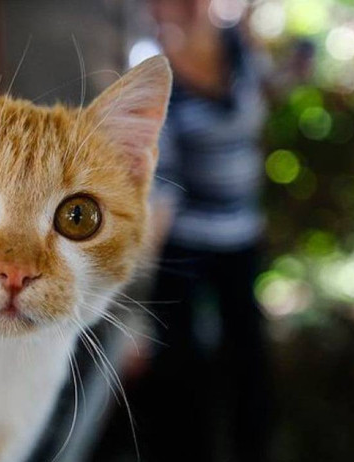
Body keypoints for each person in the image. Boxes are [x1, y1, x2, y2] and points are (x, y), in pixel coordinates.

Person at [103, 1, 272, 461]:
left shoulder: (241, 45)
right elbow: (159, 187)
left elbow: (264, 103)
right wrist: (135, 298)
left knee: (248, 358)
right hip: (187, 240)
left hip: (242, 233)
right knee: (179, 366)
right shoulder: (150, 63)